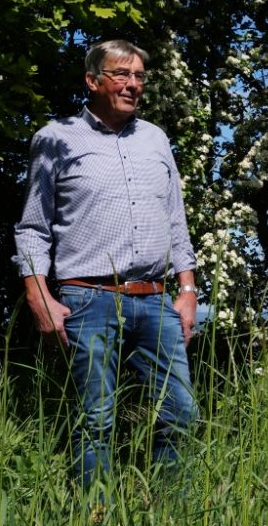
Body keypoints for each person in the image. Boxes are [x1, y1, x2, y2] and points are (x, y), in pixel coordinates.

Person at [13, 40, 200, 488]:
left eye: (139, 76)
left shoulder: (155, 138)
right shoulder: (55, 138)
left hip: (156, 301)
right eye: (122, 74)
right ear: (93, 80)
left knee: (179, 411)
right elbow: (32, 227)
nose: (133, 84)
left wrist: (188, 289)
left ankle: (169, 520)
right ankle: (92, 520)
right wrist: (38, 294)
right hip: (87, 299)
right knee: (95, 417)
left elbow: (175, 217)